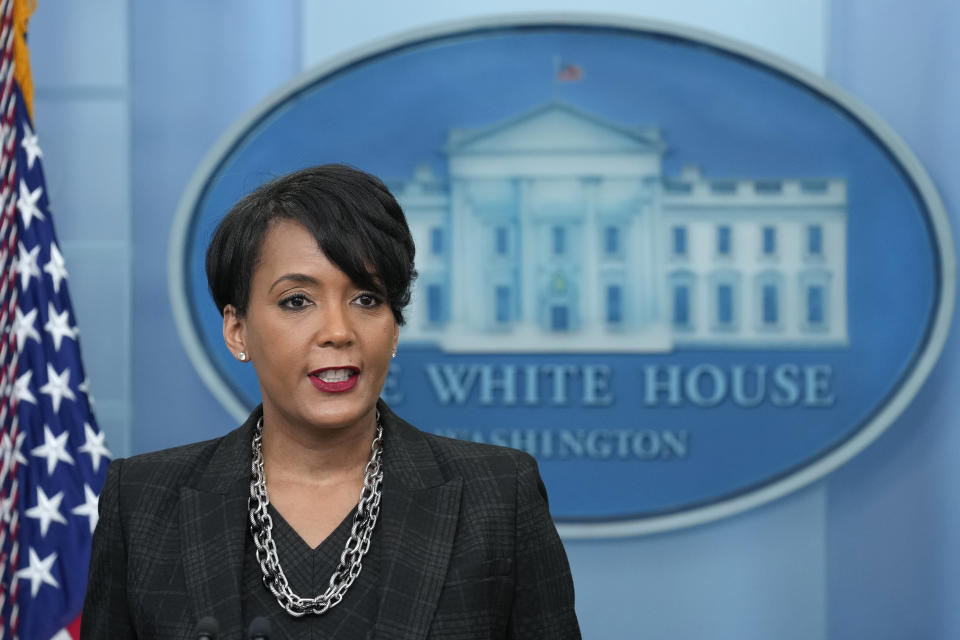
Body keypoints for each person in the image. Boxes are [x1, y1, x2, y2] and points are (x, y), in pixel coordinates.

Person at [81, 165, 581, 639]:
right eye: (297, 301)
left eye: (367, 299)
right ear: (238, 330)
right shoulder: (143, 503)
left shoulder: (497, 497)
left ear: (394, 327)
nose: (339, 332)